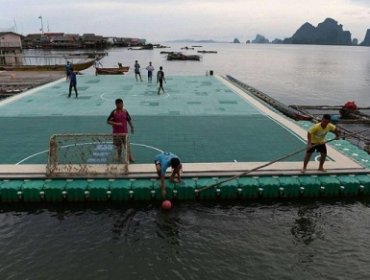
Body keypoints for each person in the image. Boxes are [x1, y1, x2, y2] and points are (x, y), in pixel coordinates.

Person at [107, 98, 135, 163]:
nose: (122, 105)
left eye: (122, 104)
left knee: (127, 146)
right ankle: (119, 156)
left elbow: (128, 119)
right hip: (117, 133)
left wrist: (132, 127)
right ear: (116, 104)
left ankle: (130, 158)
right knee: (119, 147)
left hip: (125, 133)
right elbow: (108, 121)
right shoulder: (114, 113)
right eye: (120, 104)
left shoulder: (125, 111)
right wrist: (116, 123)